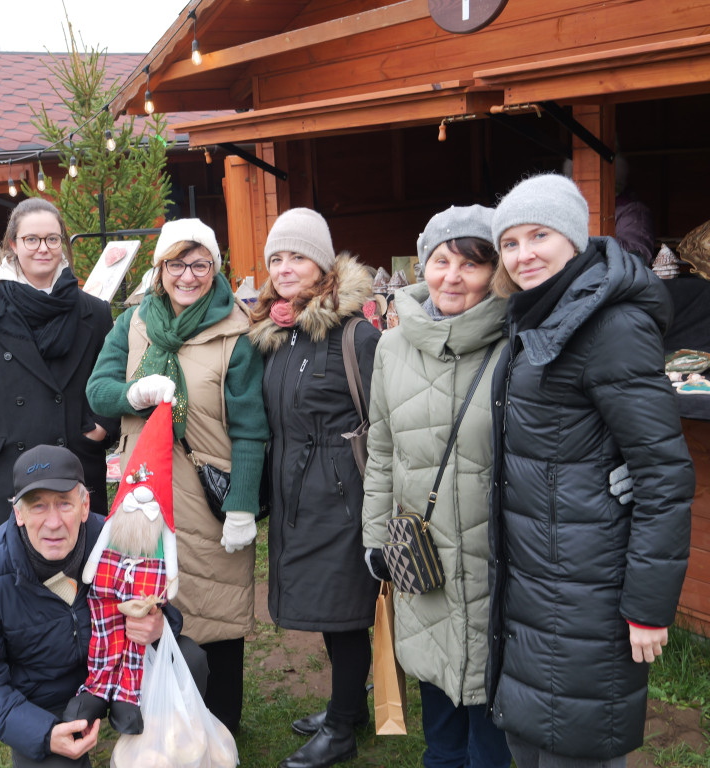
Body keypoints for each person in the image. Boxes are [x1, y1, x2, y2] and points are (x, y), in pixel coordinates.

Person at [486, 173, 693, 767]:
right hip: (536, 575)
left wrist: (648, 609)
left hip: (588, 586)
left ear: (573, 238)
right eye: (510, 243)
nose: (523, 255)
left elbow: (663, 475)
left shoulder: (610, 324)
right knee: (534, 733)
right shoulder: (537, 313)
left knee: (575, 740)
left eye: (538, 235)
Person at [86, 217, 269, 733]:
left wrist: (242, 506)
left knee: (217, 611)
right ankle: (160, 722)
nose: (188, 276)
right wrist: (131, 395)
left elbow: (252, 427)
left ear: (215, 267)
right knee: (146, 608)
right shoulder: (134, 324)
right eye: (176, 264)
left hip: (209, 499)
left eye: (200, 264)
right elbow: (97, 389)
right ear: (159, 268)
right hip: (144, 496)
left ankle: (222, 725)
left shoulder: (236, 330)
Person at [361, 205, 511, 768]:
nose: (452, 276)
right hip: (424, 561)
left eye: (470, 264)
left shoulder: (515, 344)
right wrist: (376, 538)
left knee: (492, 728)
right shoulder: (393, 347)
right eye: (441, 261)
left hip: (497, 559)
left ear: (494, 271)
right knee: (441, 722)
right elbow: (381, 449)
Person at [0, 444, 202, 768]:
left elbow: (158, 603)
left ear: (84, 506)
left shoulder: (116, 538)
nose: (53, 523)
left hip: (122, 669)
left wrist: (160, 626)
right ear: (18, 513)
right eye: (38, 506)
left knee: (189, 660)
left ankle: (167, 750)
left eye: (64, 504)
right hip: (41, 697)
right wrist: (43, 734)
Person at [248, 207, 381, 768]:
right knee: (331, 611)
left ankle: (343, 731)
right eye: (275, 258)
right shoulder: (280, 332)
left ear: (323, 265)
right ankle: (347, 709)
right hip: (296, 496)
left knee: (345, 613)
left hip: (342, 497)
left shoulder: (356, 335)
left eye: (296, 257)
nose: (283, 268)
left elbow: (384, 422)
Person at [0, 198, 119, 540]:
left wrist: (102, 427)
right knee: (9, 579)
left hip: (74, 466)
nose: (43, 248)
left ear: (63, 245)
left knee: (78, 578)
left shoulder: (94, 313)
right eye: (32, 239)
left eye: (52, 239)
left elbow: (112, 380)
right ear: (13, 245)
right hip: (4, 475)